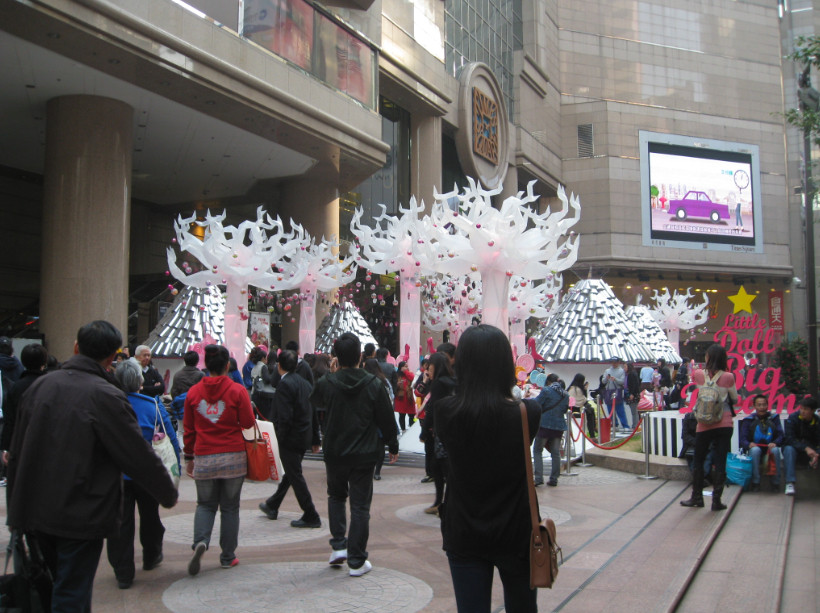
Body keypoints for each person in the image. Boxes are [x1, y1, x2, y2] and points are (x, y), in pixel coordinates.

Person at [7, 321, 178, 611]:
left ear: (76, 347)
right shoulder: (106, 396)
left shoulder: (41, 386)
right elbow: (135, 453)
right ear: (113, 357)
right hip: (80, 511)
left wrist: (15, 508)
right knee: (71, 590)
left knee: (54, 582)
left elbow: (18, 450)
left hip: (36, 507)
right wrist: (167, 491)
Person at [436, 324, 542, 613]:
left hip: (464, 528)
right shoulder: (527, 412)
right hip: (516, 529)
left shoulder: (446, 411)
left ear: (463, 365)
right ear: (506, 363)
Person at [310, 332, 399, 577]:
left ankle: (339, 545)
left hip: (336, 450)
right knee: (360, 506)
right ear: (360, 355)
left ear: (336, 357)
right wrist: (392, 444)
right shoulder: (373, 384)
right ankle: (357, 559)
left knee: (336, 496)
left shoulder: (328, 383)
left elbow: (314, 404)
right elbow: (386, 417)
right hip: (365, 451)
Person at [106, 359, 180, 589]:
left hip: (118, 474)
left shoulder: (109, 405)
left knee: (121, 522)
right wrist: (175, 462)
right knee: (150, 516)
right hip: (147, 473)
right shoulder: (152, 405)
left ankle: (123, 571)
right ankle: (151, 555)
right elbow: (170, 437)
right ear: (139, 381)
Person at [183, 344, 256, 574]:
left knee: (204, 505)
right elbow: (247, 422)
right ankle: (228, 556)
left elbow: (188, 429)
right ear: (227, 365)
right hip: (233, 457)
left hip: (204, 456)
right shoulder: (237, 391)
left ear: (206, 365)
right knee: (230, 508)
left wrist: (189, 456)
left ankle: (201, 541)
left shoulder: (193, 393)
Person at [258, 350, 322, 527]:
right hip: (303, 436)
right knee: (292, 473)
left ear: (279, 366)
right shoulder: (305, 384)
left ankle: (311, 514)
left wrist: (278, 439)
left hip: (290, 438)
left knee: (295, 475)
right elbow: (313, 413)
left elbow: (284, 417)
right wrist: (316, 438)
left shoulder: (285, 385)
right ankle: (273, 504)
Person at [680, 343, 738, 511]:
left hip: (704, 422)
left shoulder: (698, 374)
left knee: (699, 458)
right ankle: (716, 501)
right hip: (724, 423)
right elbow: (734, 399)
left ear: (708, 358)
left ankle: (697, 497)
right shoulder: (729, 377)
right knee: (720, 460)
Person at [1, 344, 49, 470]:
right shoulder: (51, 385)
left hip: (20, 442)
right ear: (44, 361)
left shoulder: (16, 387)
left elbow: (9, 419)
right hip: (46, 441)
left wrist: (6, 446)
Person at [419, 352, 456, 512]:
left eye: (430, 367)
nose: (428, 371)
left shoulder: (439, 383)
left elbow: (433, 408)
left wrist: (424, 430)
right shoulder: (453, 381)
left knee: (440, 467)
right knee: (443, 467)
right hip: (452, 429)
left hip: (440, 431)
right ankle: (442, 502)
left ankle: (441, 503)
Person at [738, 394, 784, 492]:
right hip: (755, 448)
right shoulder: (748, 420)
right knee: (755, 451)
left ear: (767, 406)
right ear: (754, 406)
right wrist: (748, 444)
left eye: (764, 405)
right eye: (759, 405)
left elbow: (781, 435)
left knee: (775, 450)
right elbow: (743, 439)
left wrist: (775, 443)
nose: (762, 407)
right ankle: (756, 483)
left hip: (769, 447)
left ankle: (775, 483)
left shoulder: (774, 418)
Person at [533, 373, 569, 487]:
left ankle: (538, 478)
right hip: (558, 427)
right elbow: (564, 410)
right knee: (555, 453)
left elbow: (537, 403)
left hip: (544, 425)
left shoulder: (546, 390)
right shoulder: (565, 394)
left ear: (548, 381)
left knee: (538, 450)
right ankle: (554, 479)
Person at [782, 396, 820, 496]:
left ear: (813, 411)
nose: (802, 411)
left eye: (806, 409)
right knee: (788, 449)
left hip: (811, 451)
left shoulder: (817, 421)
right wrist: (805, 448)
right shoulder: (793, 418)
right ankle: (790, 483)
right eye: (801, 408)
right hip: (796, 449)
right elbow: (789, 439)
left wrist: (817, 454)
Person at [603, 357, 630, 430]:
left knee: (620, 409)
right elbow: (603, 381)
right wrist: (606, 378)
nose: (613, 364)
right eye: (612, 362)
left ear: (618, 362)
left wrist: (615, 379)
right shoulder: (607, 370)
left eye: (615, 362)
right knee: (610, 410)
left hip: (618, 391)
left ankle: (625, 425)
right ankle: (614, 425)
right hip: (609, 391)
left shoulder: (621, 371)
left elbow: (622, 381)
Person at [567, 373, 596, 440]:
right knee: (590, 411)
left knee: (590, 410)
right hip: (578, 409)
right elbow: (584, 400)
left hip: (571, 409)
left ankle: (593, 431)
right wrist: (585, 390)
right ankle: (592, 433)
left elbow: (571, 401)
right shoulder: (579, 389)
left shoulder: (570, 388)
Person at [394, 361, 417, 432]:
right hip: (400, 398)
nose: (407, 367)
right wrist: (397, 384)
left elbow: (412, 377)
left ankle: (411, 429)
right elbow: (393, 385)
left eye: (407, 366)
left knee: (412, 414)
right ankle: (403, 430)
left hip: (409, 397)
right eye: (405, 366)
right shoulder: (396, 375)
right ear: (400, 367)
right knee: (402, 415)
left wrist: (406, 371)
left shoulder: (409, 373)